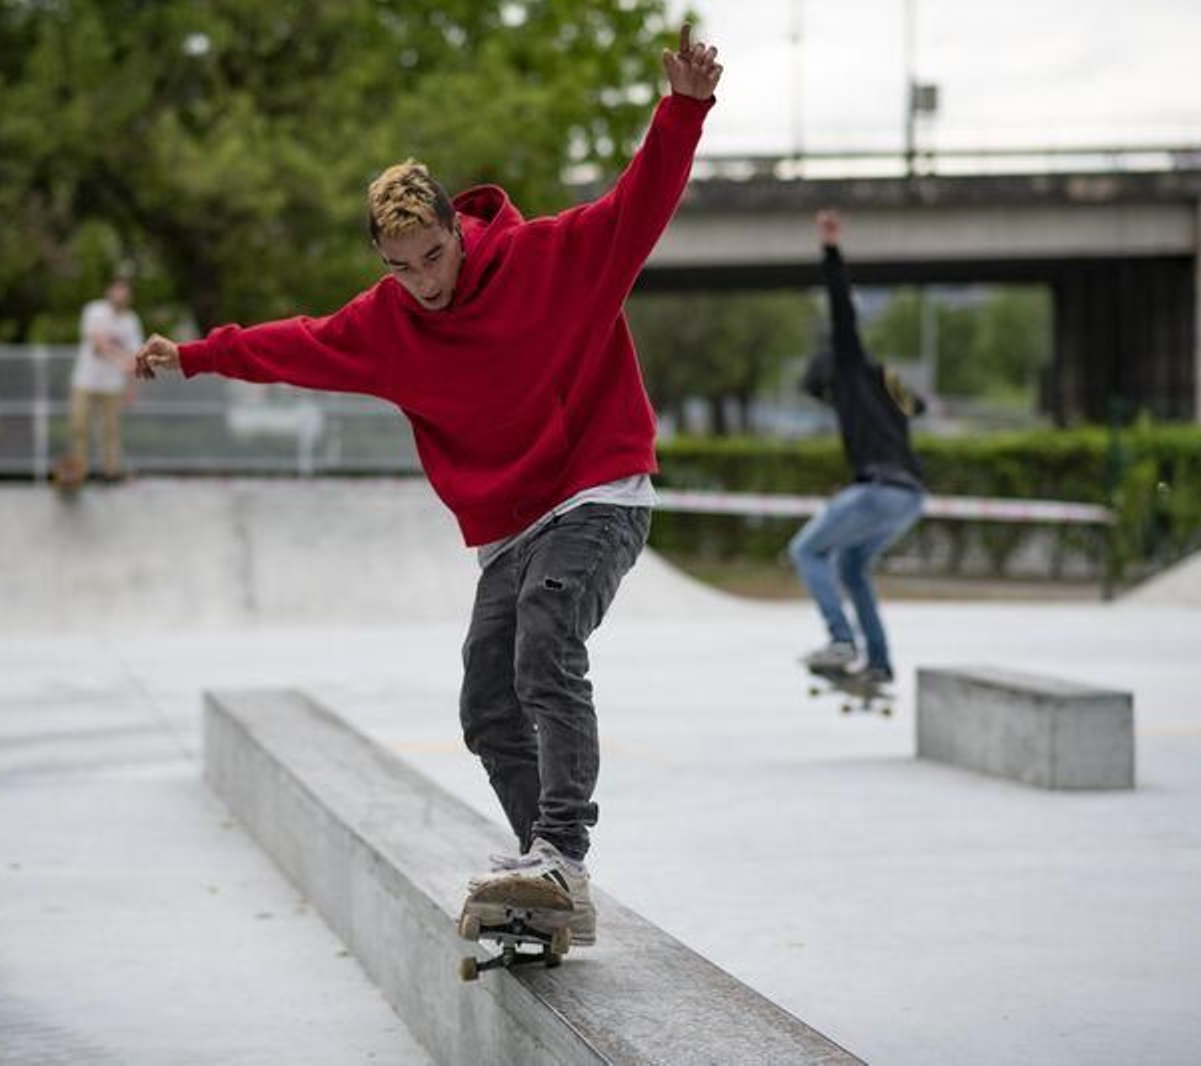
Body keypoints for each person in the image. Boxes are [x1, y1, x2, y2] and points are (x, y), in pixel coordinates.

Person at [135, 25, 723, 946]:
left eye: (433, 257)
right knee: (486, 704)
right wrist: (197, 356)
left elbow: (639, 202)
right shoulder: (386, 323)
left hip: (598, 492)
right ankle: (546, 879)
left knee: (546, 638)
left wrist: (684, 110)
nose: (422, 283)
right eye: (400, 269)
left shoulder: (552, 259)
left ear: (457, 230)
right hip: (511, 527)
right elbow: (295, 345)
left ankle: (562, 855)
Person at [789, 210, 927, 687]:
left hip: (881, 489)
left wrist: (830, 249)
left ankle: (841, 639)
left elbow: (842, 314)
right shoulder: (887, 380)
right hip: (911, 497)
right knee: (851, 567)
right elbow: (918, 406)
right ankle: (880, 662)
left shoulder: (848, 363)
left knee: (807, 550)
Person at [67, 277, 142, 482]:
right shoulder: (95, 311)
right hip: (85, 380)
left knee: (110, 430)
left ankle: (110, 472)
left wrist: (131, 388)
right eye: (117, 290)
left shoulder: (131, 321)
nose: (120, 296)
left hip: (112, 385)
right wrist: (120, 358)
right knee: (79, 426)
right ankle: (79, 472)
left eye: (124, 292)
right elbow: (98, 342)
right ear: (109, 291)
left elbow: (135, 357)